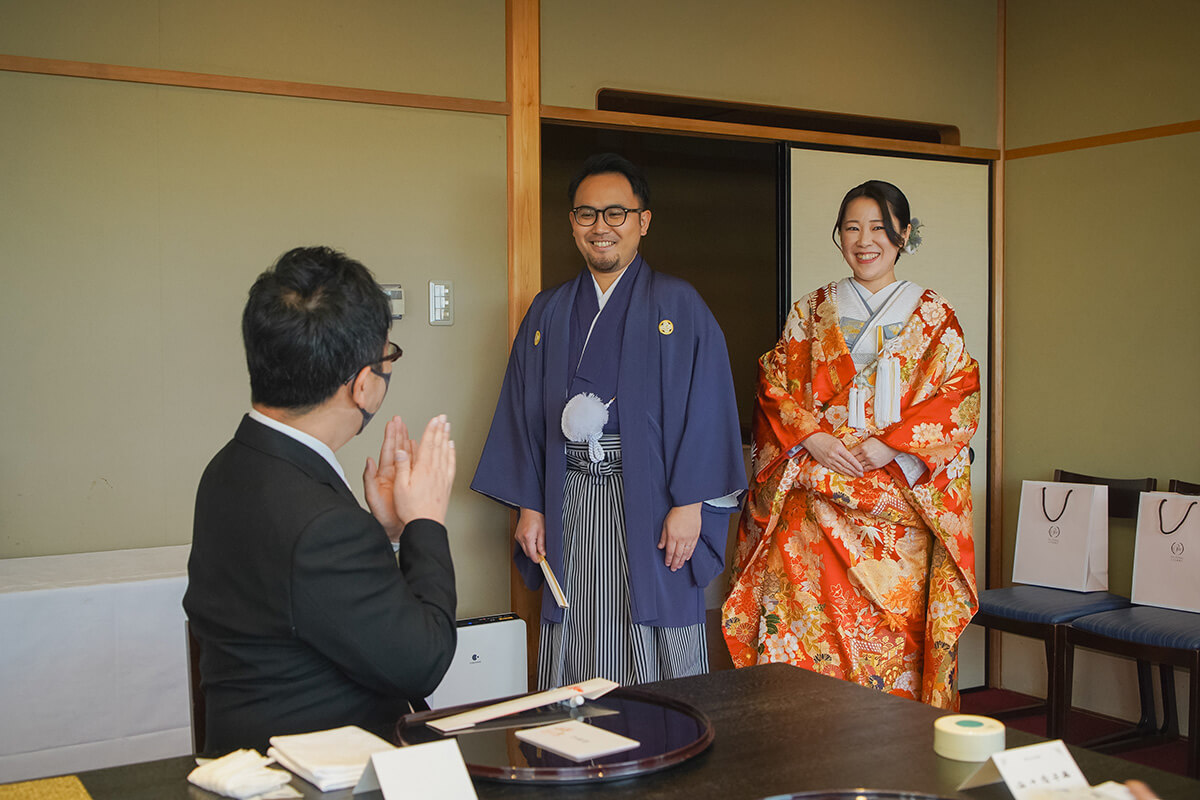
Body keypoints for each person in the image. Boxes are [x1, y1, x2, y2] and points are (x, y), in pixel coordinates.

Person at [473, 153, 745, 689]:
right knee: (575, 619)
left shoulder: (678, 304)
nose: (601, 228)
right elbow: (524, 414)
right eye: (586, 214)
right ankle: (579, 757)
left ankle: (668, 757)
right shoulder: (547, 312)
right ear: (572, 224)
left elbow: (708, 407)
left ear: (643, 221)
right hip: (567, 497)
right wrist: (530, 507)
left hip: (656, 499)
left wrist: (691, 506)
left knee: (659, 626)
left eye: (616, 214)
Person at [184, 246, 457, 754]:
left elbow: (304, 599)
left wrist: (386, 534)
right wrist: (425, 522)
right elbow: (423, 661)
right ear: (361, 385)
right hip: (313, 772)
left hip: (240, 752)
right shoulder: (323, 525)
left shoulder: (230, 466)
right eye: (387, 356)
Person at [722, 180, 980, 709]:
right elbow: (774, 384)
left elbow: (960, 394)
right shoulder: (810, 311)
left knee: (893, 645)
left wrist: (893, 447)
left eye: (881, 228)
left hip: (895, 509)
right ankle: (801, 748)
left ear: (904, 235)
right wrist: (812, 436)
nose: (866, 241)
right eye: (853, 228)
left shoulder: (933, 317)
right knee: (802, 637)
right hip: (813, 504)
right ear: (838, 236)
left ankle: (895, 760)